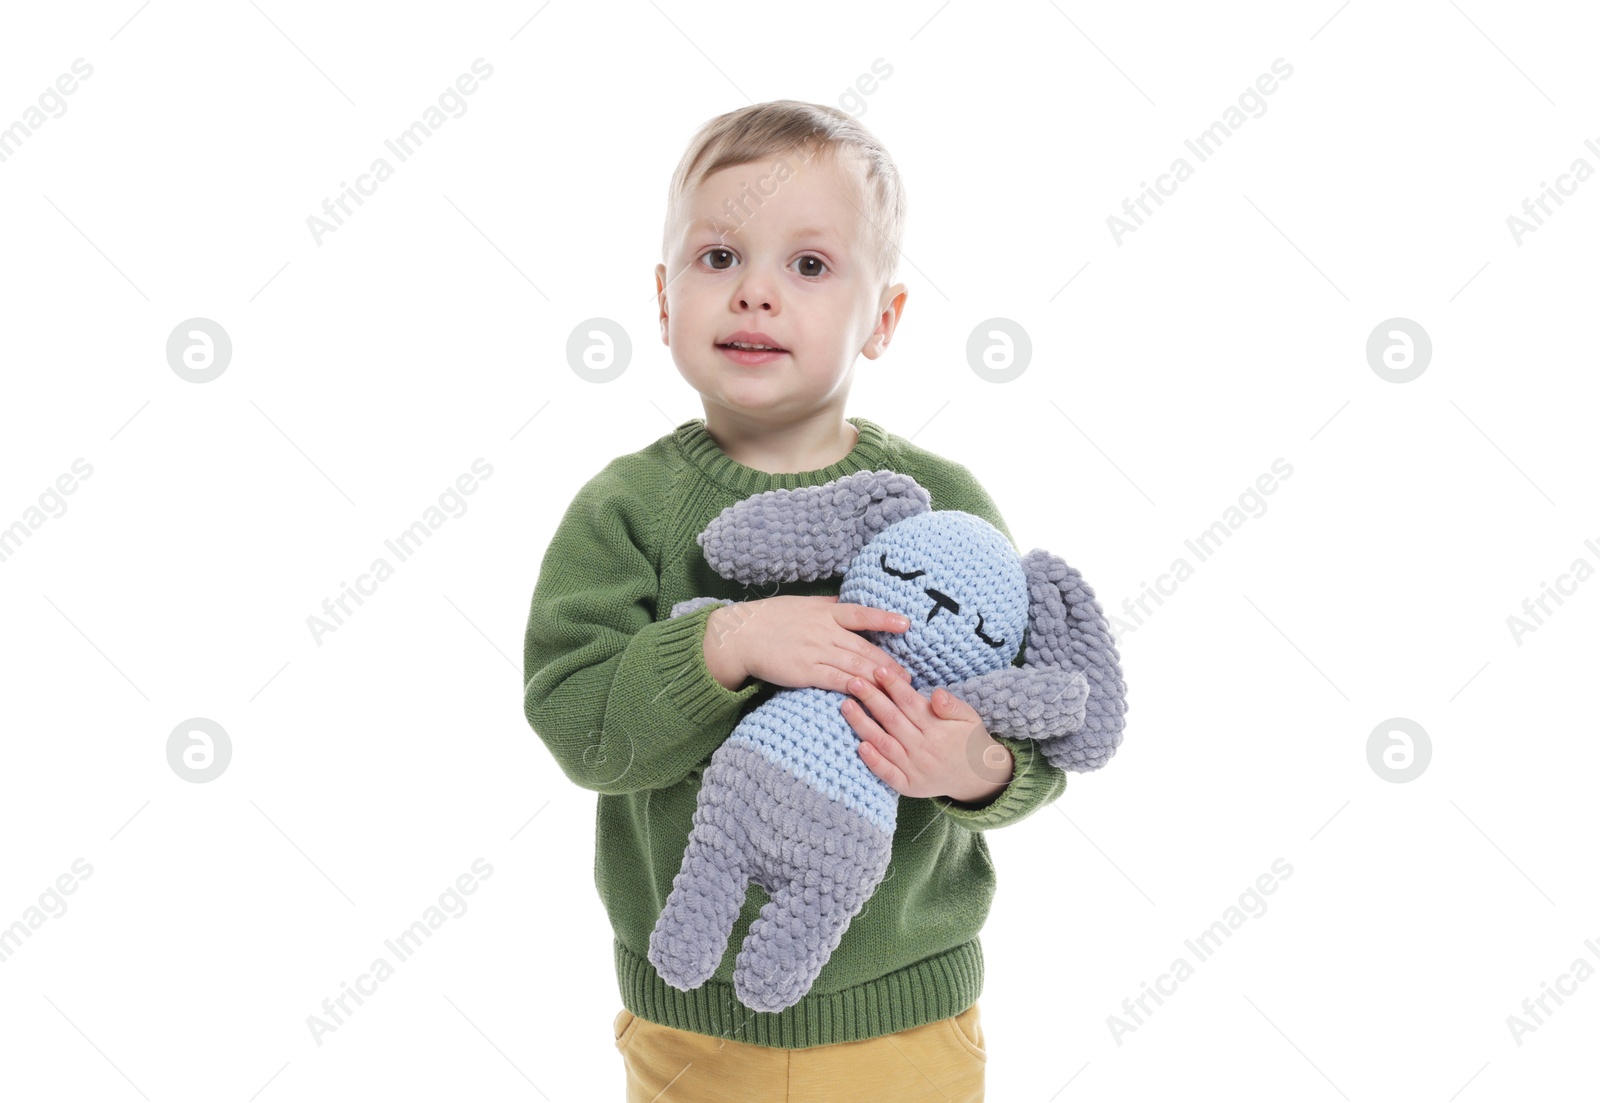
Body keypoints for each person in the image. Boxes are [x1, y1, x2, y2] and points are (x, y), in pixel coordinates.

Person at [522, 99, 1066, 1102]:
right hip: (691, 1025)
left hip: (902, 1018)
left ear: (884, 319)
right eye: (719, 258)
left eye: (808, 266)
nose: (756, 295)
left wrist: (976, 766)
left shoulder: (948, 512)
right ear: (662, 296)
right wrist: (723, 642)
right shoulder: (627, 510)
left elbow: (1038, 732)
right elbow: (578, 726)